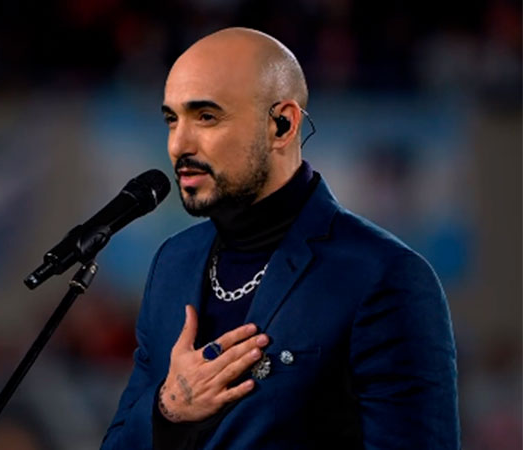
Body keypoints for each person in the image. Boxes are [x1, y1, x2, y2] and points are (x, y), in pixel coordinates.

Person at [101, 28, 459, 449]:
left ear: (283, 124)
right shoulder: (173, 263)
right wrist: (169, 409)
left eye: (206, 116)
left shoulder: (383, 276)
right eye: (171, 119)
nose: (179, 143)